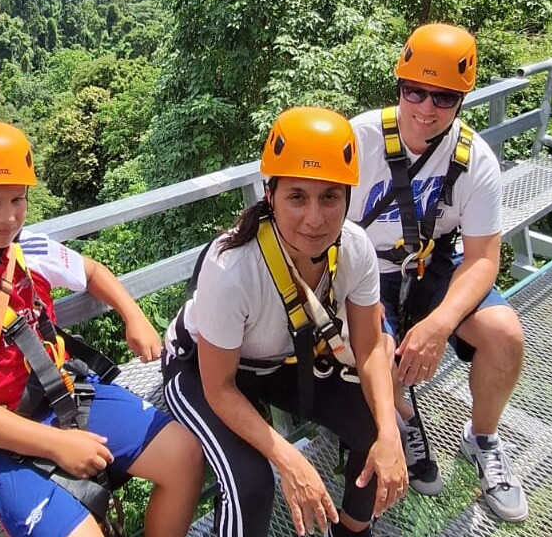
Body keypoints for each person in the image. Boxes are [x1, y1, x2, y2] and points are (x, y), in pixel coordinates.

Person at [0, 120, 204, 537]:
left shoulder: (28, 247)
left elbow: (92, 271)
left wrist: (132, 315)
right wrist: (58, 445)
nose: (7, 217)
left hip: (58, 394)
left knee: (186, 456)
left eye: (17, 200)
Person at [162, 107, 407, 537]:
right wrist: (290, 460)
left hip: (281, 358)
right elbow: (219, 388)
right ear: (270, 196)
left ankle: (351, 530)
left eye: (330, 197)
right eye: (297, 197)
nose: (314, 219)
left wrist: (388, 432)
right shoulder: (232, 266)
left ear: (348, 198)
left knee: (379, 435)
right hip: (203, 368)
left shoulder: (354, 248)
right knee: (251, 483)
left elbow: (368, 349)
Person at [348, 23, 528, 522]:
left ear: (462, 100)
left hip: (429, 264)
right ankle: (404, 416)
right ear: (399, 86)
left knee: (504, 335)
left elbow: (484, 258)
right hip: (360, 267)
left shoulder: (474, 161)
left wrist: (439, 323)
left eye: (444, 98)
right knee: (376, 346)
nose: (426, 108)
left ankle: (483, 438)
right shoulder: (360, 141)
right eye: (415, 92)